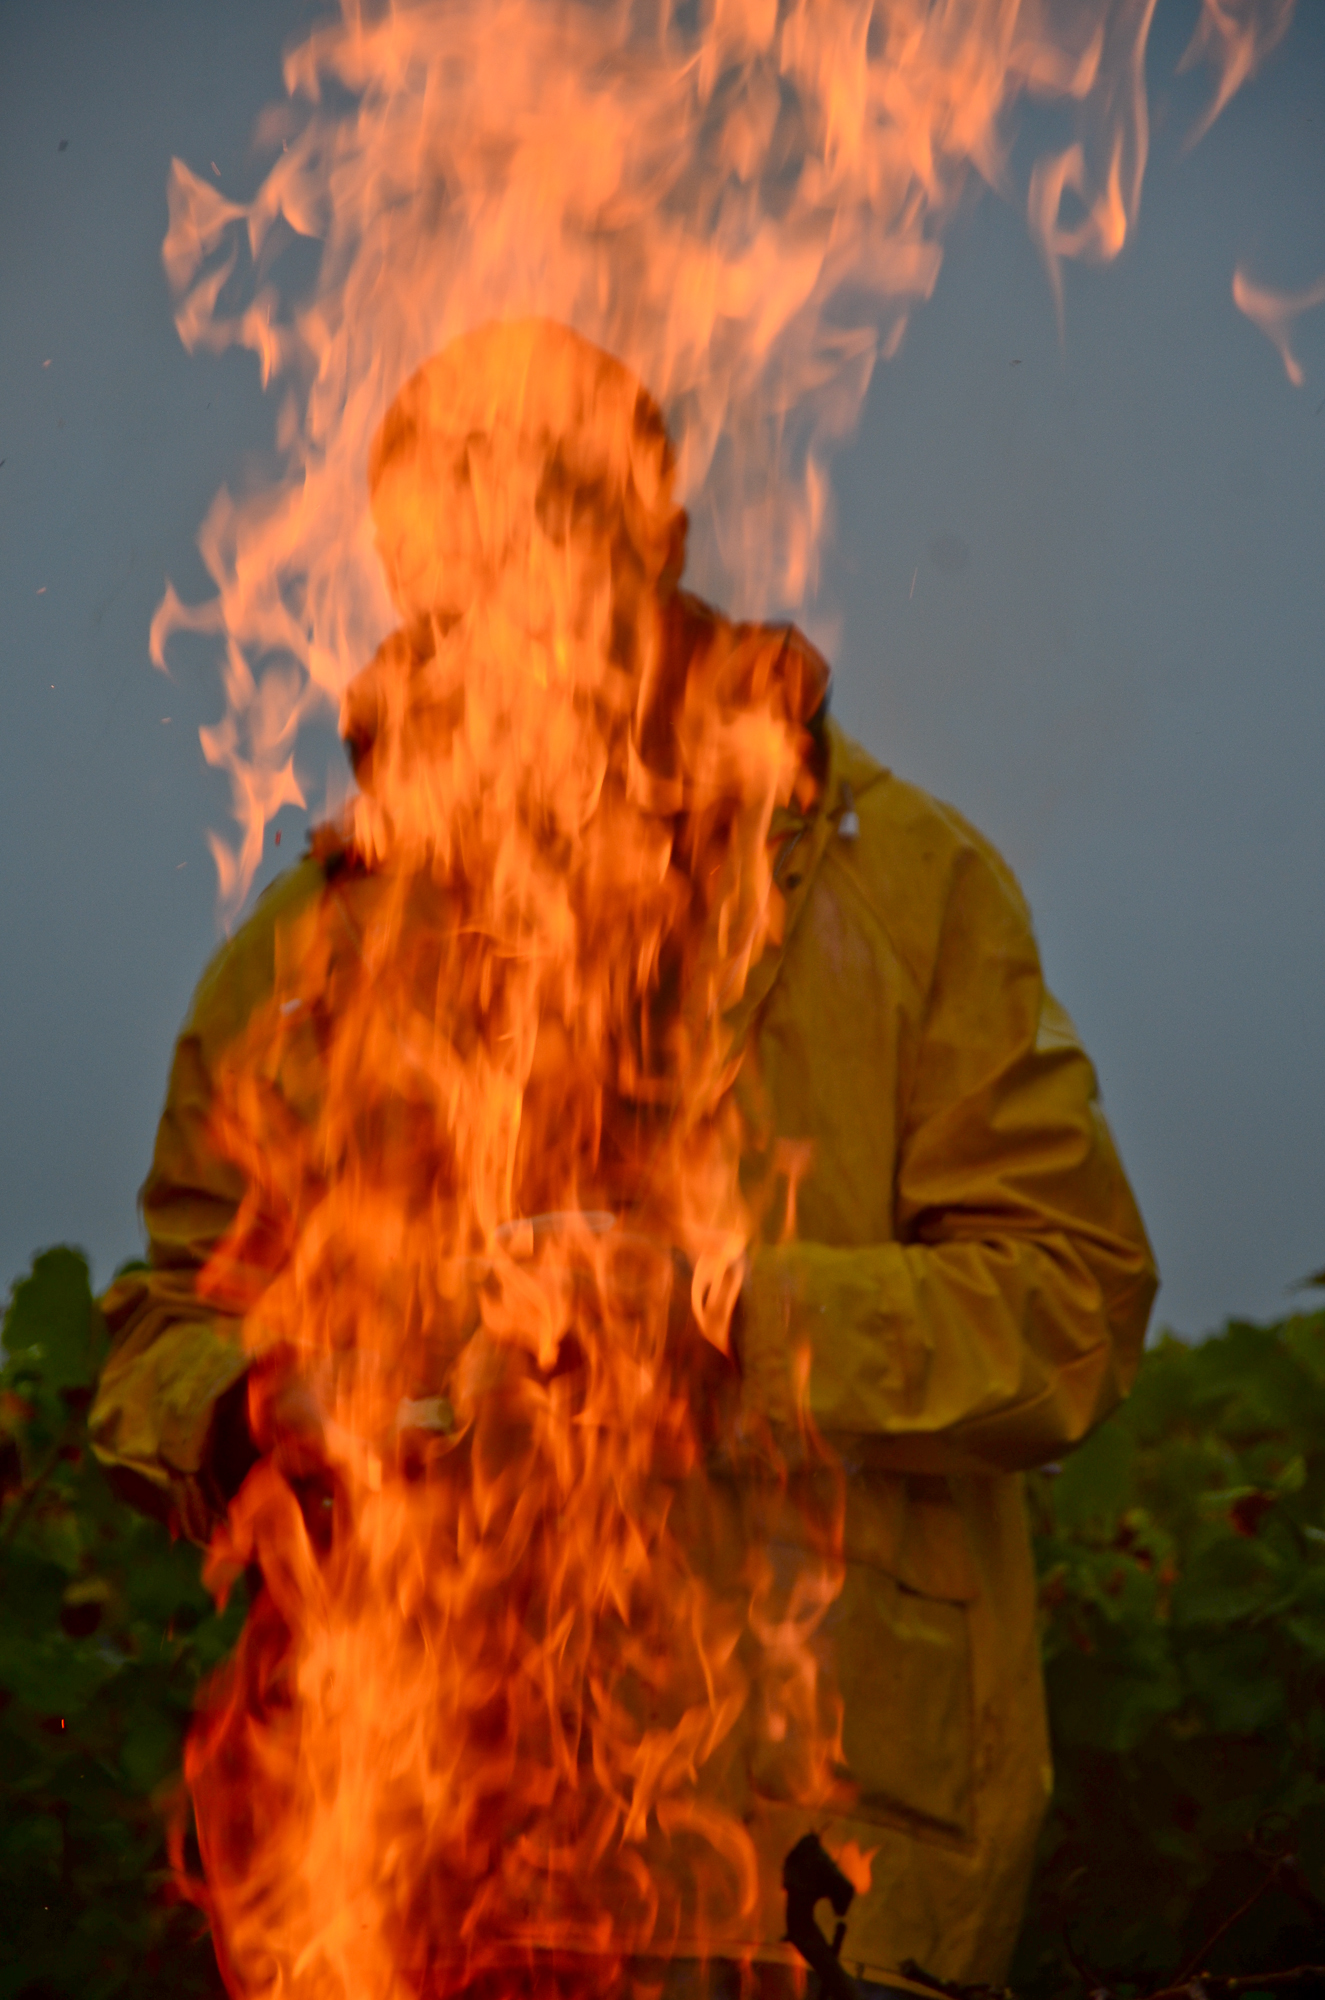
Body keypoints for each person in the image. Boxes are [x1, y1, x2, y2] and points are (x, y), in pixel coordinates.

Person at [91, 319, 1157, 1995]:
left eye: (535, 558)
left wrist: (724, 1317)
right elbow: (160, 1327)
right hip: (400, 1871)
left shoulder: (906, 892)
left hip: (796, 1881)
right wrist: (255, 1403)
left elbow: (1069, 1309)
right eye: (442, 589)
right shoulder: (302, 960)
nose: (486, 633)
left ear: (647, 541)